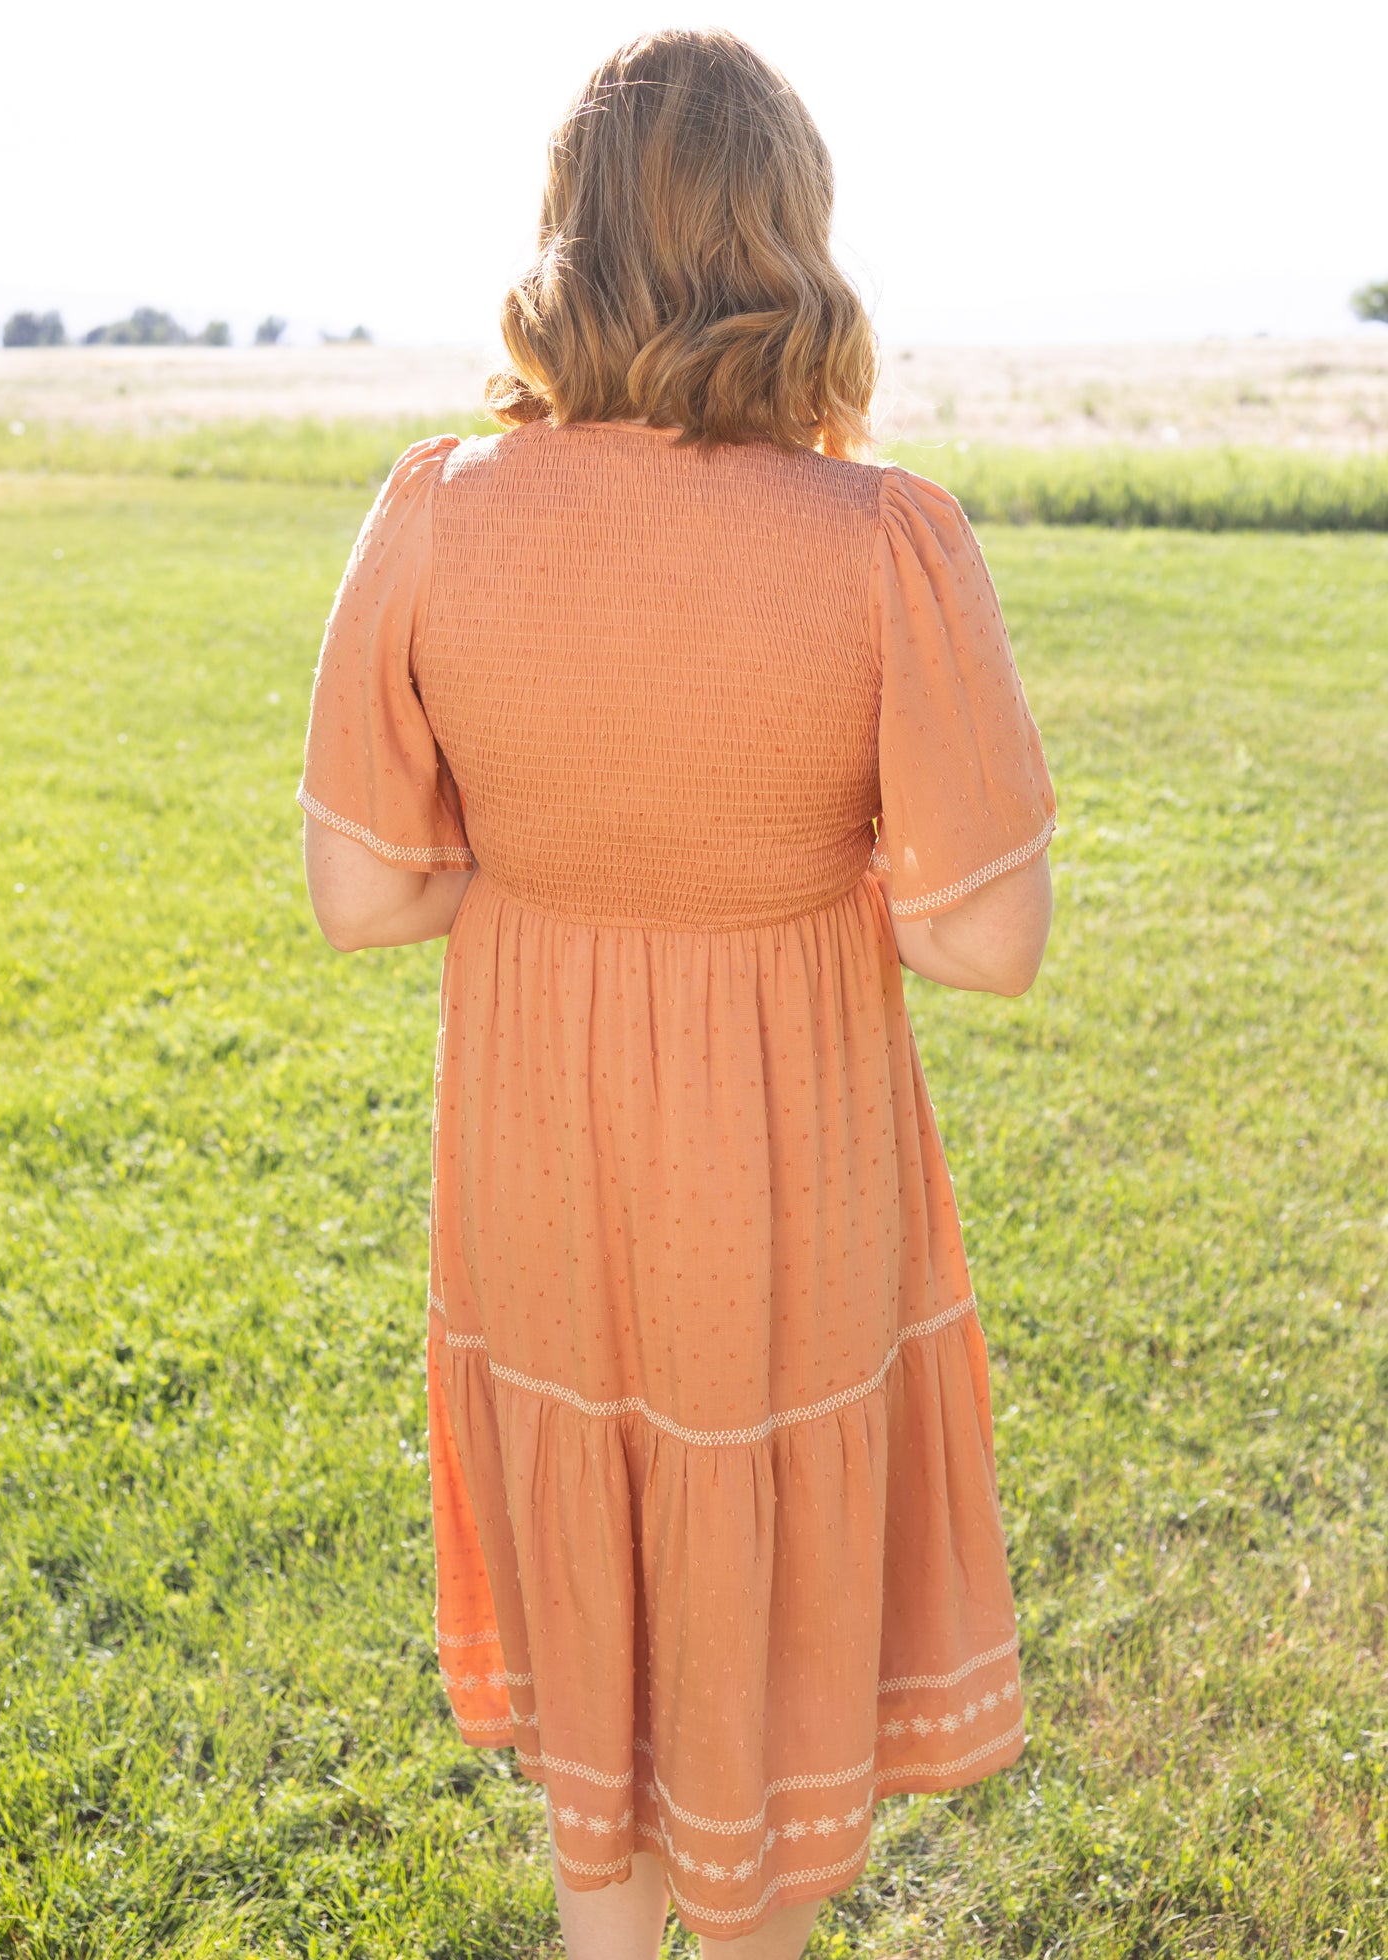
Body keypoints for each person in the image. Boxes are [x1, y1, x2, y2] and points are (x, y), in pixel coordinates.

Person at [296, 26, 1056, 1959]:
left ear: (575, 239)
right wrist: (781, 890)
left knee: (602, 1614)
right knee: (748, 1584)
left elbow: (363, 896)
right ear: (787, 239)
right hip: (782, 1150)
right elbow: (989, 934)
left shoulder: (436, 512)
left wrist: (559, 869)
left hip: (542, 1148)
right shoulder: (883, 538)